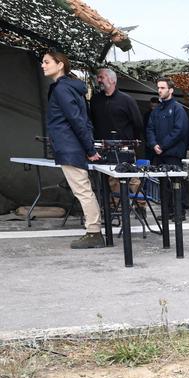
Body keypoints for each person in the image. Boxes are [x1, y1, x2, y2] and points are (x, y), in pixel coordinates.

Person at [41, 50, 104, 249]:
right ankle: (94, 231)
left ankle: (94, 233)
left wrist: (90, 148)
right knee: (84, 189)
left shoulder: (61, 89)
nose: (43, 65)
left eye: (46, 62)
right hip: (71, 145)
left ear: (60, 65)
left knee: (83, 191)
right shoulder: (70, 87)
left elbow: (77, 120)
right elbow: (83, 120)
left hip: (69, 146)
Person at [90, 68, 144, 206]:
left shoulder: (127, 100)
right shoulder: (96, 100)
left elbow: (138, 123)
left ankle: (141, 205)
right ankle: (118, 207)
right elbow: (91, 121)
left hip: (124, 146)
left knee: (132, 179)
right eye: (98, 77)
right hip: (103, 146)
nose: (99, 80)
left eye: (102, 77)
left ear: (112, 80)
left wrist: (132, 141)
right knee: (111, 179)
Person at [146, 77, 189, 220]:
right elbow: (149, 129)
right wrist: (154, 144)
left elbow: (180, 130)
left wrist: (163, 145)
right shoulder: (156, 110)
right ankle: (167, 211)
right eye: (158, 88)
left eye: (162, 88)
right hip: (159, 153)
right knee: (163, 184)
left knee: (176, 183)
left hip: (173, 152)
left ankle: (179, 212)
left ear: (170, 90)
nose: (159, 90)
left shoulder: (178, 109)